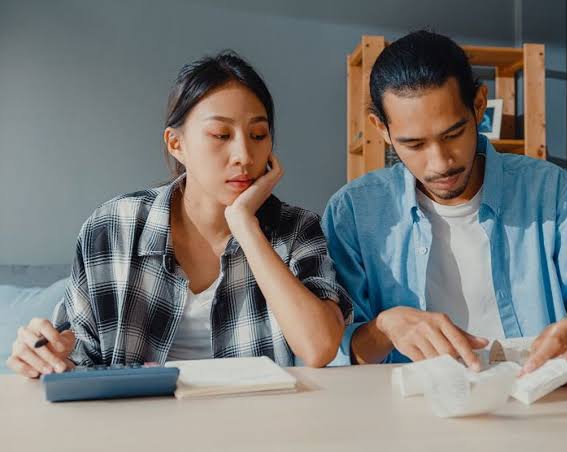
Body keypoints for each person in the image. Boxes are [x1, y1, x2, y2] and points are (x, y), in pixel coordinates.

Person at [322, 30, 567, 384]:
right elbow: (331, 351)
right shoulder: (354, 212)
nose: (440, 163)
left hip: (543, 409)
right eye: (415, 144)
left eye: (453, 134)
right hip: (410, 420)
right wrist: (385, 328)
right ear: (382, 129)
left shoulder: (549, 191)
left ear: (479, 105)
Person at [7, 50, 352, 378]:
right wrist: (45, 353)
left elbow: (318, 347)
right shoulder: (113, 227)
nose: (244, 155)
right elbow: (76, 354)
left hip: (256, 428)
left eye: (258, 135)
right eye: (221, 135)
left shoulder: (296, 228)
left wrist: (245, 226)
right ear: (176, 144)